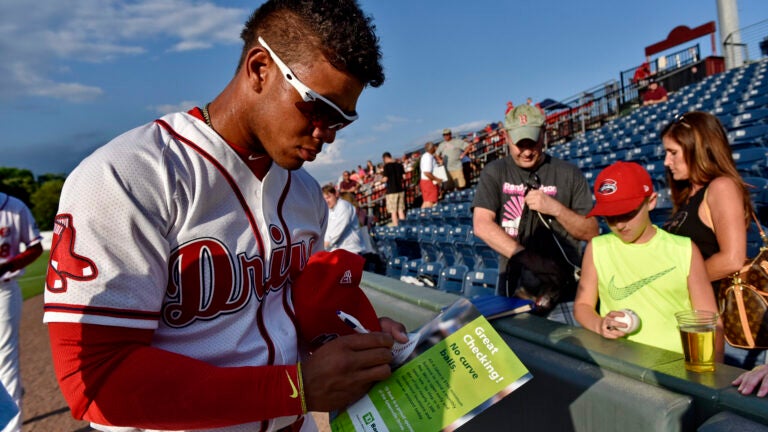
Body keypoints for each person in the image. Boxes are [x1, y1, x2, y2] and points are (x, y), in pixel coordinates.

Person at [43, 1, 408, 431]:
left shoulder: (307, 194)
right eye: (319, 108)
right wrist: (297, 388)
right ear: (259, 68)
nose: (327, 133)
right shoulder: (129, 174)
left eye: (342, 120)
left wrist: (353, 338)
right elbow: (95, 381)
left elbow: (286, 318)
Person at [574, 162, 723, 357]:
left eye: (627, 213)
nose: (619, 224)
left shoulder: (683, 249)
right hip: (621, 364)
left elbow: (709, 319)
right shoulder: (598, 249)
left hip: (677, 365)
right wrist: (599, 324)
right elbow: (583, 306)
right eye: (609, 217)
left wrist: (714, 373)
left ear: (651, 201)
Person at [472, 104, 599, 322]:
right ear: (506, 137)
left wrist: (555, 208)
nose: (528, 151)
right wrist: (531, 260)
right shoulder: (495, 172)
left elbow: (591, 231)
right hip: (514, 292)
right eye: (520, 144)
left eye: (533, 142)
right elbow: (482, 224)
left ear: (544, 134)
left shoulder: (568, 173)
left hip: (565, 294)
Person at [661, 111, 759, 369]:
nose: (666, 161)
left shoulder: (721, 187)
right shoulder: (689, 194)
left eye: (673, 153)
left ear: (698, 148)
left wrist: (675, 281)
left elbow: (732, 259)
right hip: (696, 323)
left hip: (724, 332)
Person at [0, 192, 43, 432]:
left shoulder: (14, 208)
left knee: (5, 359)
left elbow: (36, 246)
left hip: (3, 290)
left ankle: (11, 429)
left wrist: (10, 265)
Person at [381, 152, 406, 226]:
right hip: (400, 190)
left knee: (393, 212)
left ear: (384, 159)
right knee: (401, 211)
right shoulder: (399, 165)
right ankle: (403, 227)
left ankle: (396, 227)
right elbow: (404, 177)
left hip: (391, 191)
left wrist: (379, 180)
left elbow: (385, 179)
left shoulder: (386, 167)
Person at [419, 142, 442, 208]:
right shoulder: (428, 157)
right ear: (431, 148)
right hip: (428, 182)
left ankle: (422, 216)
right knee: (430, 201)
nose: (435, 148)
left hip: (426, 182)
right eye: (434, 147)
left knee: (427, 201)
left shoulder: (427, 156)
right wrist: (437, 179)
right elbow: (427, 172)